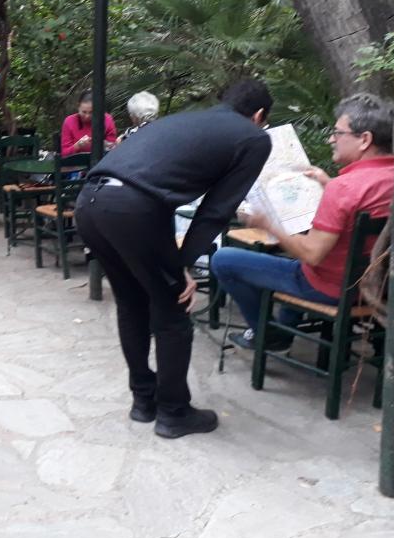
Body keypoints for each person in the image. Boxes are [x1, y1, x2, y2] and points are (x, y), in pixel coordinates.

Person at [74, 79, 273, 438]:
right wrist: (182, 265)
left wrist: (175, 260)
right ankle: (173, 412)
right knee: (173, 311)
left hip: (90, 201)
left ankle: (143, 400)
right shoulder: (254, 138)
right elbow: (216, 211)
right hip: (133, 210)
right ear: (259, 115)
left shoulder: (184, 120)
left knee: (131, 302)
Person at [212, 93, 394, 351]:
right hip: (379, 286)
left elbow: (312, 254)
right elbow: (364, 204)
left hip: (332, 288)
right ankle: (284, 328)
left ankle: (267, 335)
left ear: (364, 139)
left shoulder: (345, 188)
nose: (331, 139)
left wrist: (268, 224)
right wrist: (327, 183)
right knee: (294, 263)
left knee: (224, 259)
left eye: (338, 133)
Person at [61, 89, 117, 156]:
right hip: (76, 161)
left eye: (91, 112)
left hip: (102, 159)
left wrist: (104, 144)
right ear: (78, 107)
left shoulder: (107, 120)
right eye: (84, 112)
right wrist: (78, 146)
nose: (87, 116)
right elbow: (64, 153)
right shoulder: (69, 121)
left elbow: (113, 149)